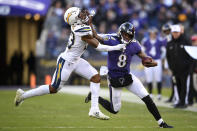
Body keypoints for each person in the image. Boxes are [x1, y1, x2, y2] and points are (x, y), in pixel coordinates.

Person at [14, 7, 126, 120]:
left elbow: (94, 34)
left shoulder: (81, 26)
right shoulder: (80, 29)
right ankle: (23, 96)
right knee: (53, 88)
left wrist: (90, 22)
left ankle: (94, 109)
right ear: (75, 20)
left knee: (95, 77)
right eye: (80, 15)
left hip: (76, 60)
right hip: (66, 61)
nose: (83, 15)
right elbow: (99, 46)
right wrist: (116, 47)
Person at [85, 22, 173, 128]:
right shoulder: (112, 39)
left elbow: (144, 56)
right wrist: (90, 24)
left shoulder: (134, 44)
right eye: (125, 34)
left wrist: (151, 61)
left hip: (127, 75)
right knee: (115, 110)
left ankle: (161, 123)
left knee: (147, 97)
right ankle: (95, 97)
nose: (127, 37)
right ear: (120, 32)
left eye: (129, 35)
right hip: (114, 77)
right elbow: (96, 36)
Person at [166, 25, 194, 108]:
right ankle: (179, 102)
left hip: (185, 70)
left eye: (176, 32)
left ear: (179, 32)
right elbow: (168, 57)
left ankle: (184, 102)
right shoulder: (169, 43)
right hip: (175, 70)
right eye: (174, 32)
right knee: (177, 86)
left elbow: (191, 55)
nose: (175, 34)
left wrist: (189, 67)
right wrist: (171, 67)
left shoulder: (186, 41)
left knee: (184, 86)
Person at [141, 27, 166, 100]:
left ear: (156, 34)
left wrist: (160, 57)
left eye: (154, 33)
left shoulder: (159, 41)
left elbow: (164, 51)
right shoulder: (145, 41)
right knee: (149, 78)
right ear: (149, 34)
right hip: (148, 61)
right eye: (151, 34)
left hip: (157, 60)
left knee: (158, 78)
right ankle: (151, 94)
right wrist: (145, 58)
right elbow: (142, 50)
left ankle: (159, 94)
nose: (152, 35)